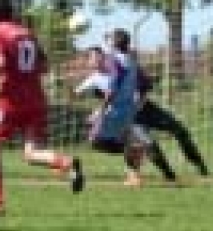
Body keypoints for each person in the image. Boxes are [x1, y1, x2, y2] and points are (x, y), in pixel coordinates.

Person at [0, 0, 84, 217]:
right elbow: (45, 66)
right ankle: (66, 163)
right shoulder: (27, 33)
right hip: (36, 98)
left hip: (9, 99)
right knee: (31, 153)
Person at [72, 44, 176, 187]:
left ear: (103, 56)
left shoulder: (121, 70)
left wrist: (137, 103)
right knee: (100, 142)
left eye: (95, 57)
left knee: (147, 144)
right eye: (90, 58)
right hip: (118, 115)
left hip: (132, 113)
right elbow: (75, 93)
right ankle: (136, 171)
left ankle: (166, 174)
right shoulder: (94, 78)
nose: (93, 61)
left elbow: (143, 86)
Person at [134, 64, 209, 177]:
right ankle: (168, 174)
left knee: (180, 131)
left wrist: (140, 102)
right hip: (130, 117)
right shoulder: (105, 77)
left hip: (147, 109)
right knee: (148, 144)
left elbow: (146, 86)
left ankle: (199, 164)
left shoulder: (133, 68)